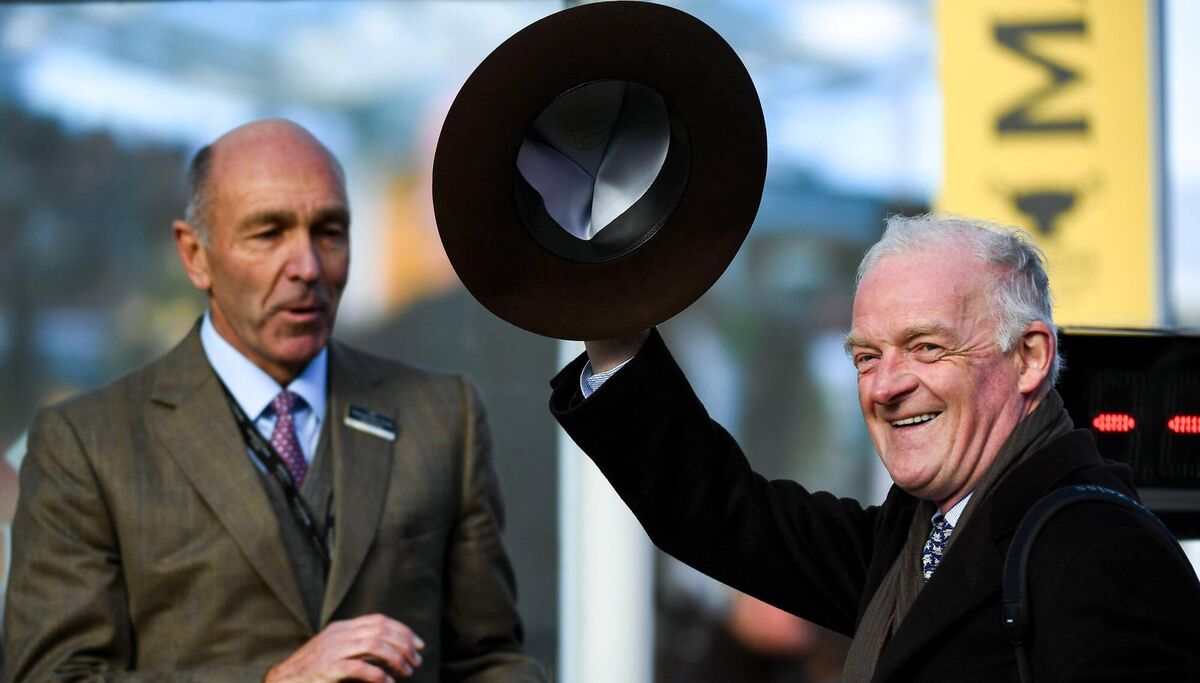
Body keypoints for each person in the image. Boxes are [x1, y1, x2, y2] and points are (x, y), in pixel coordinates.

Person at [5, 119, 546, 683]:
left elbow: (489, 661)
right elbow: (56, 677)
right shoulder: (86, 445)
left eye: (330, 232)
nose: (308, 267)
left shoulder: (441, 416)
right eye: (268, 234)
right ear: (195, 256)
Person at [550, 214, 1200, 682]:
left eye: (926, 346)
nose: (886, 386)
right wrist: (613, 320)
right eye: (866, 355)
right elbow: (720, 512)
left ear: (1030, 357)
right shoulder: (919, 536)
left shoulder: (1103, 549)